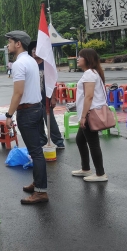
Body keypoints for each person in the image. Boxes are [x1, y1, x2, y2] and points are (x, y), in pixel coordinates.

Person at [4, 31, 49, 204]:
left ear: (18, 44)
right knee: (36, 150)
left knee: (36, 152)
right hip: (36, 108)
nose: (8, 45)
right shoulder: (30, 60)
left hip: (28, 112)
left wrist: (9, 115)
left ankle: (40, 192)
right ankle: (38, 183)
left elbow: (18, 92)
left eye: (10, 42)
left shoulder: (18, 64)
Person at [73, 48, 108, 182]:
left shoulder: (89, 73)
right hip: (89, 111)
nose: (77, 59)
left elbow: (89, 96)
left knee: (93, 143)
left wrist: (83, 116)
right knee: (80, 139)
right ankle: (86, 169)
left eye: (80, 56)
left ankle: (100, 173)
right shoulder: (93, 72)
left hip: (89, 113)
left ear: (87, 59)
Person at [27, 41, 65, 149]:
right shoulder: (30, 64)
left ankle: (58, 141)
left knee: (50, 122)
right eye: (33, 50)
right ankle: (42, 141)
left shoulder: (46, 65)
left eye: (36, 50)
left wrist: (53, 97)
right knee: (38, 122)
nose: (34, 52)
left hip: (46, 98)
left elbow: (52, 82)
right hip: (34, 100)